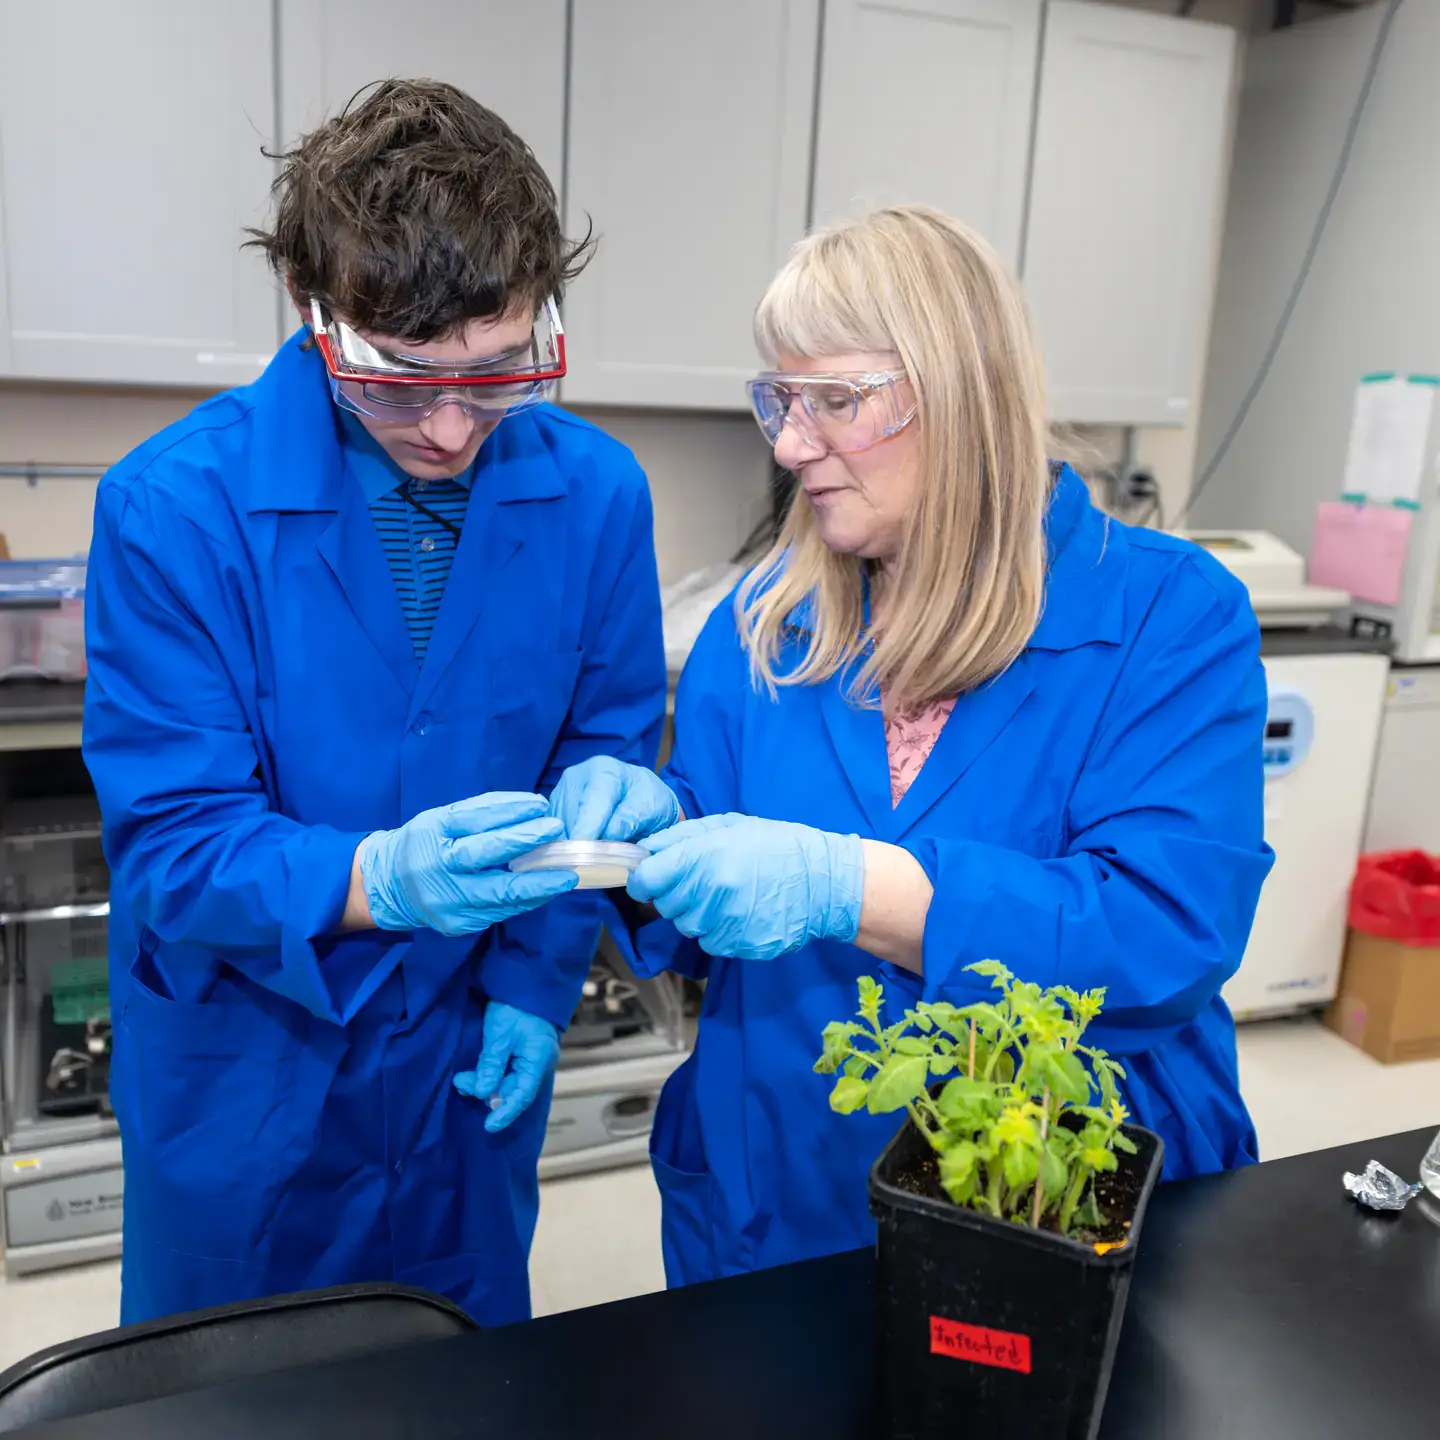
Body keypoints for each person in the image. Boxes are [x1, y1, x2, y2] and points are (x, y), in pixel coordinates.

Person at [550, 204, 1273, 1286]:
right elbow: (717, 908)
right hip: (777, 1198)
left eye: (834, 400)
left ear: (962, 396)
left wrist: (855, 887)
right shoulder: (758, 627)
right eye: (781, 402)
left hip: (1047, 1203)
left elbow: (1161, 930)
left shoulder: (1168, 621)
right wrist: (657, 844)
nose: (792, 447)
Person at [83, 80, 665, 1324]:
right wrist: (379, 881)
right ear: (315, 310)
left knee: (456, 1380)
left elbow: (602, 748)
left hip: (464, 1070)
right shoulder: (174, 509)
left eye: (501, 370)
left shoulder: (601, 497)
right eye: (400, 380)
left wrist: (533, 981)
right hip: (249, 1083)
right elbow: (178, 852)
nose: (453, 426)